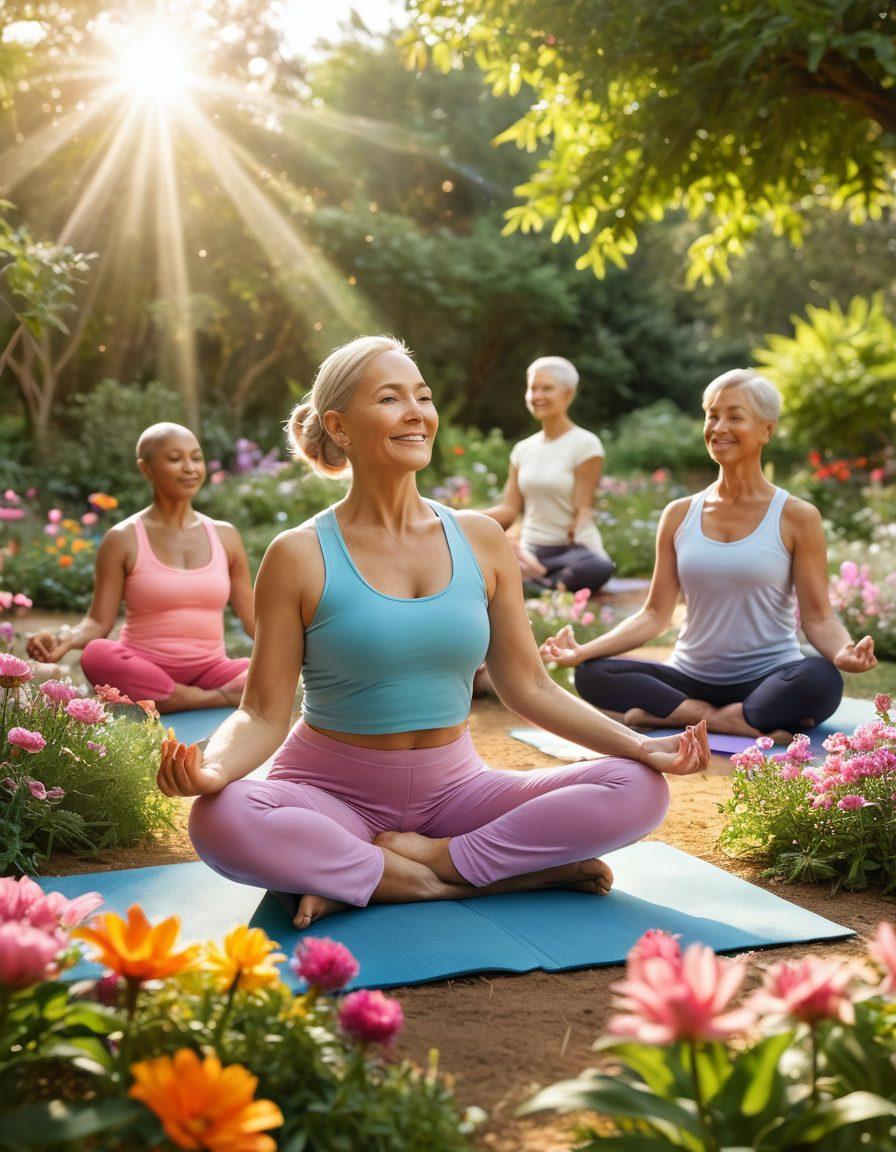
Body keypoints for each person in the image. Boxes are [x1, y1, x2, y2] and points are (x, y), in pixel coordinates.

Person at [157, 335, 710, 931]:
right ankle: (461, 880)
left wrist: (640, 746)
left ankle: (401, 870)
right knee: (221, 819)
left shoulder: (480, 538)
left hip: (457, 794)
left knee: (637, 787)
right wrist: (212, 770)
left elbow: (530, 685)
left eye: (422, 396)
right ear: (339, 427)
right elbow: (264, 711)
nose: (417, 412)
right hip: (328, 795)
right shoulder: (298, 554)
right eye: (391, 398)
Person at [541, 370, 878, 741]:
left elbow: (818, 618)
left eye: (735, 416)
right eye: (712, 415)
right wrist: (583, 650)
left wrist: (842, 651)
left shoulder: (797, 516)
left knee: (821, 678)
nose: (719, 427)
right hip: (689, 679)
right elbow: (655, 614)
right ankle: (726, 719)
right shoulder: (679, 514)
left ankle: (675, 717)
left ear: (766, 430)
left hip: (767, 678)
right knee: (591, 672)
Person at [26, 423, 255, 713]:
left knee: (260, 671)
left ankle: (169, 700)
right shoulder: (123, 538)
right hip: (142, 666)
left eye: (195, 458)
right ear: (146, 469)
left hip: (210, 671)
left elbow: (252, 619)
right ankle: (207, 699)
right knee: (96, 655)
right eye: (175, 459)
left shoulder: (226, 536)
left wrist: (297, 651)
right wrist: (63, 639)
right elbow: (98, 622)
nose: (190, 468)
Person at [483, 356, 614, 593]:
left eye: (547, 388)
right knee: (491, 561)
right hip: (532, 549)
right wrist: (459, 518)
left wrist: (582, 542)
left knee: (600, 566)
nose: (537, 396)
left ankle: (538, 583)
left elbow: (583, 509)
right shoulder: (523, 449)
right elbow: (509, 511)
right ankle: (545, 582)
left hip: (571, 550)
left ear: (568, 393)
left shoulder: (586, 445)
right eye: (533, 388)